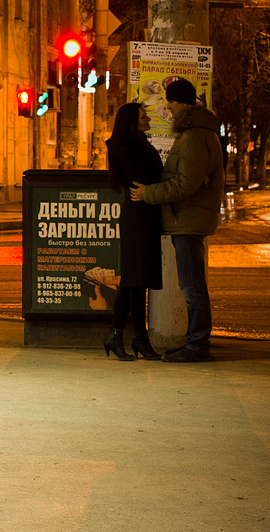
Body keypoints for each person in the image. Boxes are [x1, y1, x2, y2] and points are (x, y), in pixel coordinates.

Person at [131, 79, 224, 362]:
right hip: (187, 216)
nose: (167, 107)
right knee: (192, 283)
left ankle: (197, 344)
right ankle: (195, 342)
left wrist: (149, 193)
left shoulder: (195, 136)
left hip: (189, 218)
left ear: (184, 103)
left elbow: (185, 184)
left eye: (171, 102)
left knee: (191, 285)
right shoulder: (196, 133)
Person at [104, 102, 165, 361]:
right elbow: (143, 178)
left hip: (145, 214)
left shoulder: (138, 143)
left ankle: (120, 336)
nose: (148, 118)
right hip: (137, 214)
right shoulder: (126, 147)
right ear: (131, 121)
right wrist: (160, 183)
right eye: (144, 116)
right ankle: (136, 337)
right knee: (135, 280)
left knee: (135, 281)